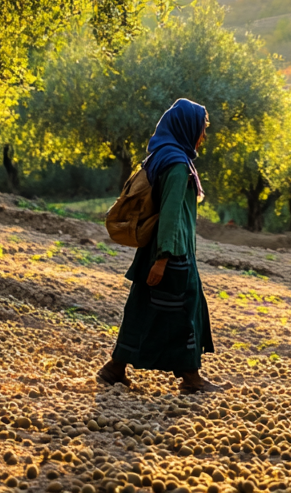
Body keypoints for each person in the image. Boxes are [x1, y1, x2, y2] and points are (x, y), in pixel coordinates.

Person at [97, 99, 225, 393]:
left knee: (142, 308)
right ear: (187, 127)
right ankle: (191, 378)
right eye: (201, 128)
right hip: (173, 253)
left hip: (153, 252)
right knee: (184, 311)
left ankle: (114, 368)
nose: (203, 135)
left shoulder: (160, 156)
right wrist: (164, 259)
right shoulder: (178, 166)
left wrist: (155, 257)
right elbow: (169, 215)